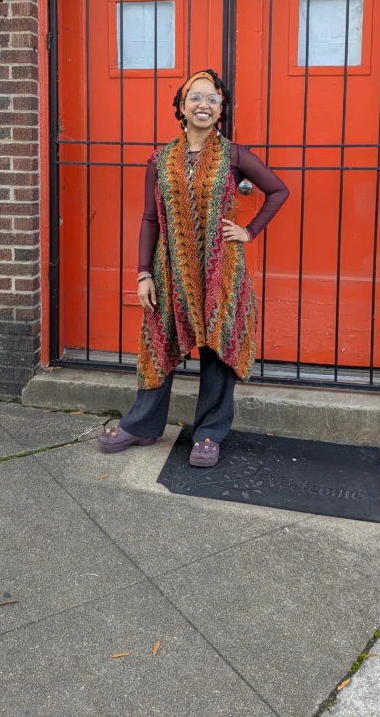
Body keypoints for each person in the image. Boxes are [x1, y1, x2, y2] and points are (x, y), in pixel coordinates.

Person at [98, 69, 289, 467]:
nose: (204, 105)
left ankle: (209, 434)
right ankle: (144, 424)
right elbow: (151, 219)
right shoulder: (160, 159)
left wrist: (250, 231)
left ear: (220, 112)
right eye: (196, 98)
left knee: (218, 346)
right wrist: (143, 273)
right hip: (170, 269)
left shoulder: (234, 155)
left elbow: (278, 189)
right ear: (182, 108)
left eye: (213, 100)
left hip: (222, 270)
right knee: (159, 339)